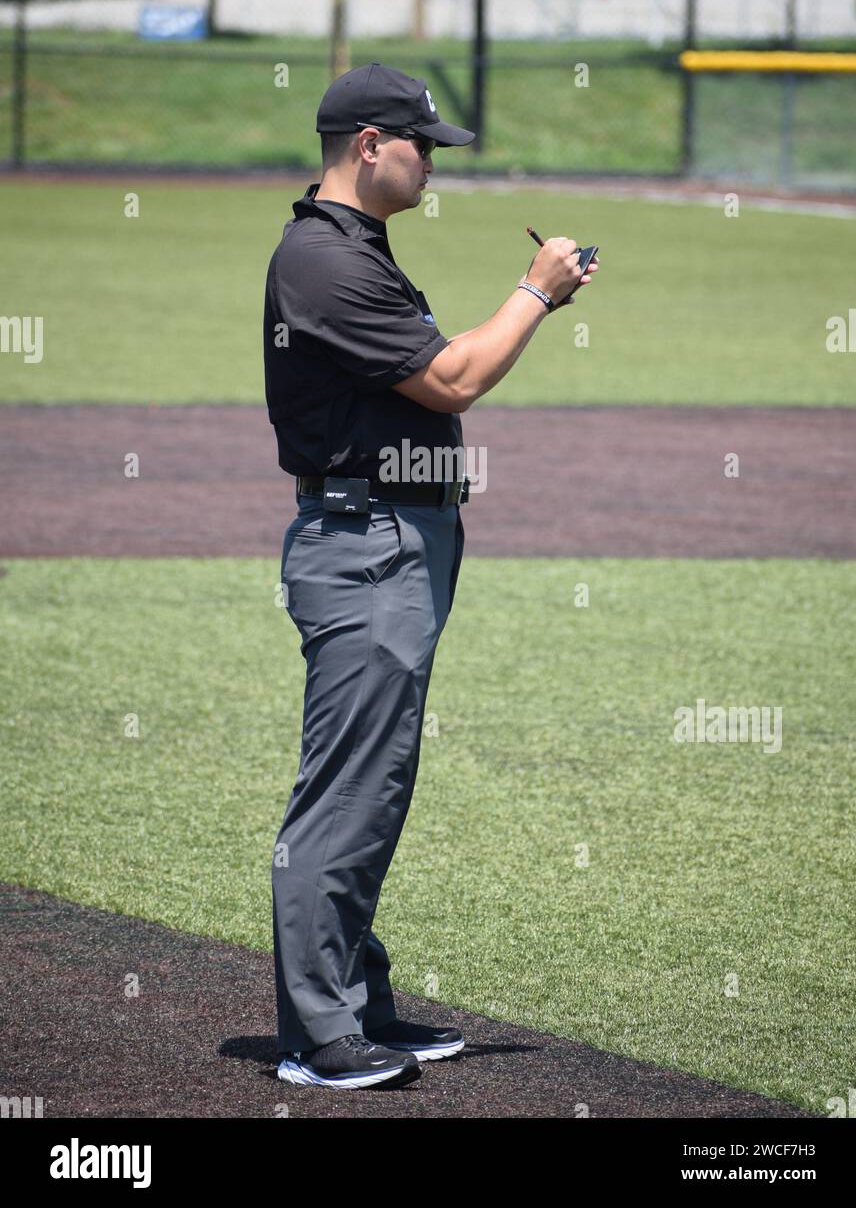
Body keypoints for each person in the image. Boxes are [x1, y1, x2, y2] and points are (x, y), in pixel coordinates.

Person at [265, 61, 599, 1091]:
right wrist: (535, 292)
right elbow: (453, 374)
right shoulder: (323, 260)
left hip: (393, 535)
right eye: (423, 144)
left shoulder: (354, 246)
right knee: (349, 787)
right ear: (370, 144)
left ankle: (356, 1003)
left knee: (378, 780)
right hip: (363, 541)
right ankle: (319, 1038)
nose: (431, 160)